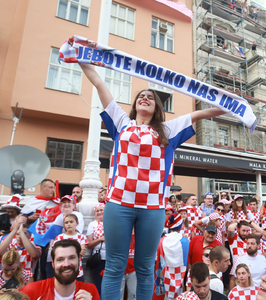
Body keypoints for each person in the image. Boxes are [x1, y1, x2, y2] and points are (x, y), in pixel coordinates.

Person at [78, 60, 226, 299]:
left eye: (150, 97)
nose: (144, 98)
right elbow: (98, 82)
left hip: (153, 208)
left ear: (157, 106)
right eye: (140, 96)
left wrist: (233, 106)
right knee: (115, 266)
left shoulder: (168, 129)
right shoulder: (120, 121)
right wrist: (82, 58)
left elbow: (203, 112)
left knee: (146, 268)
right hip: (118, 204)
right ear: (135, 105)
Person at [20, 239, 100, 300]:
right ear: (53, 264)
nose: (66, 264)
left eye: (72, 258)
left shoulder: (90, 290)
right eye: (60, 260)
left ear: (79, 261)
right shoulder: (33, 290)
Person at [154, 213, 189, 300]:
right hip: (179, 278)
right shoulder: (185, 241)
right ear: (181, 226)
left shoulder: (161, 240)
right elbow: (186, 263)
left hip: (163, 276)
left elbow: (157, 260)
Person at [49, 214, 88, 281]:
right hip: (62, 270)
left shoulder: (81, 236)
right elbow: (55, 252)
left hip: (78, 271)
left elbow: (82, 251)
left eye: (71, 222)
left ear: (77, 223)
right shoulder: (59, 237)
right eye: (66, 222)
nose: (69, 224)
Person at [86, 203, 105, 295]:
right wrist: (100, 239)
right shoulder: (92, 224)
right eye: (97, 211)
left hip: (111, 257)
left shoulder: (112, 222)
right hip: (99, 258)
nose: (99, 212)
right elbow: (89, 244)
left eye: (101, 210)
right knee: (98, 282)